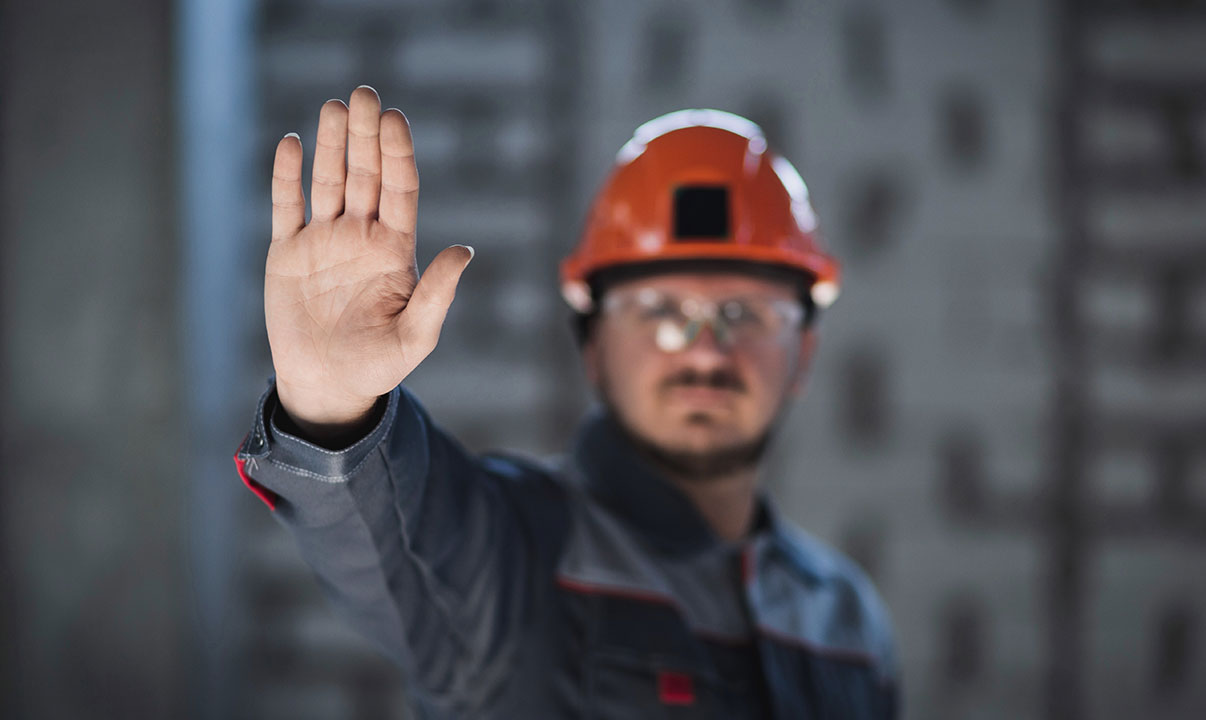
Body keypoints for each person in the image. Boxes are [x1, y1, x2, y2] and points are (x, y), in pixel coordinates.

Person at [235, 85, 898, 719]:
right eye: (660, 311)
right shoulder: (513, 551)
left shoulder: (846, 620)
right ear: (594, 346)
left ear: (804, 352)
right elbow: (386, 534)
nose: (704, 351)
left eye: (745, 314)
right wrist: (333, 405)